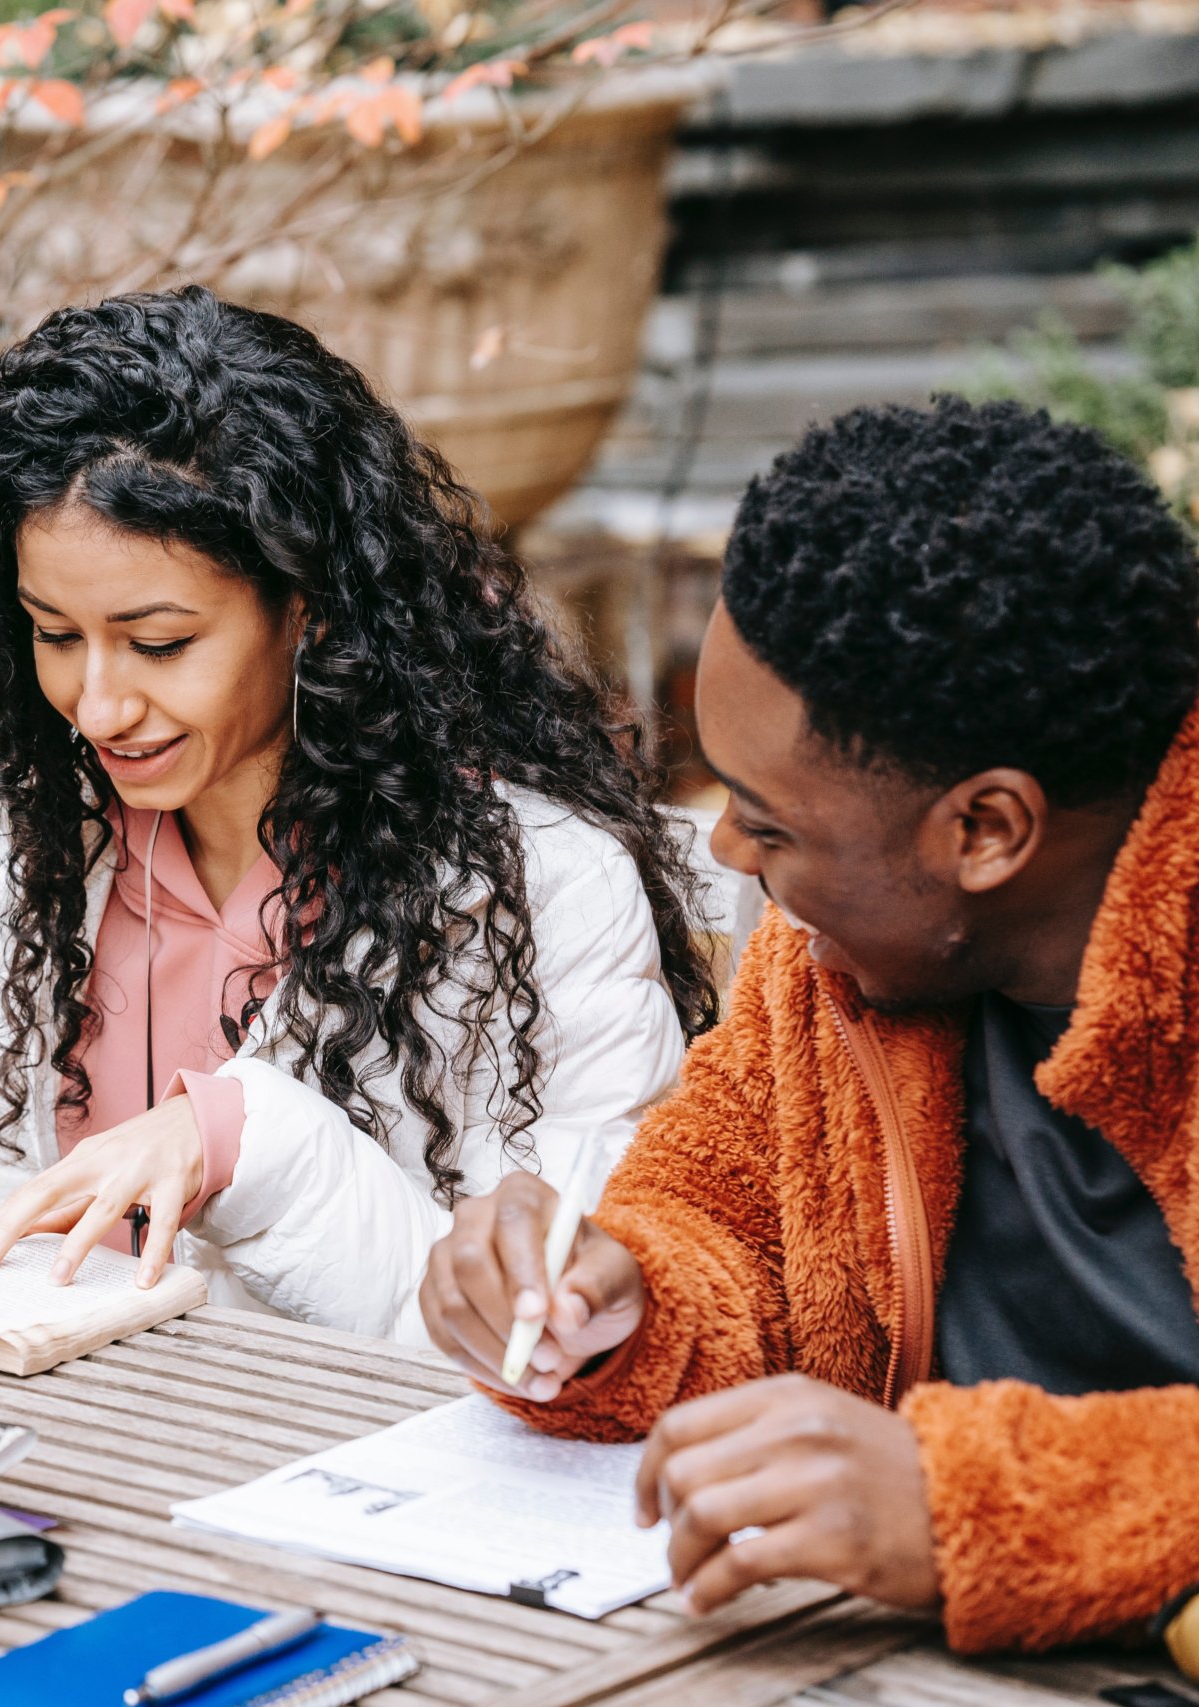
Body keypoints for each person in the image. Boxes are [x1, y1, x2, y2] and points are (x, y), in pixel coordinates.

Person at [0, 288, 718, 1340]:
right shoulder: (50, 852)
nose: (100, 705)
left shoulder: (529, 890)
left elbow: (542, 1327)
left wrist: (241, 1142)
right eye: (54, 636)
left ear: (307, 607)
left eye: (160, 643)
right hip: (82, 1455)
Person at [419, 394, 1199, 1656]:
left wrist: (970, 1504)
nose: (725, 847)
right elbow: (717, 1225)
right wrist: (614, 1301)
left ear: (986, 830)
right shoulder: (831, 965)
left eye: (766, 822)